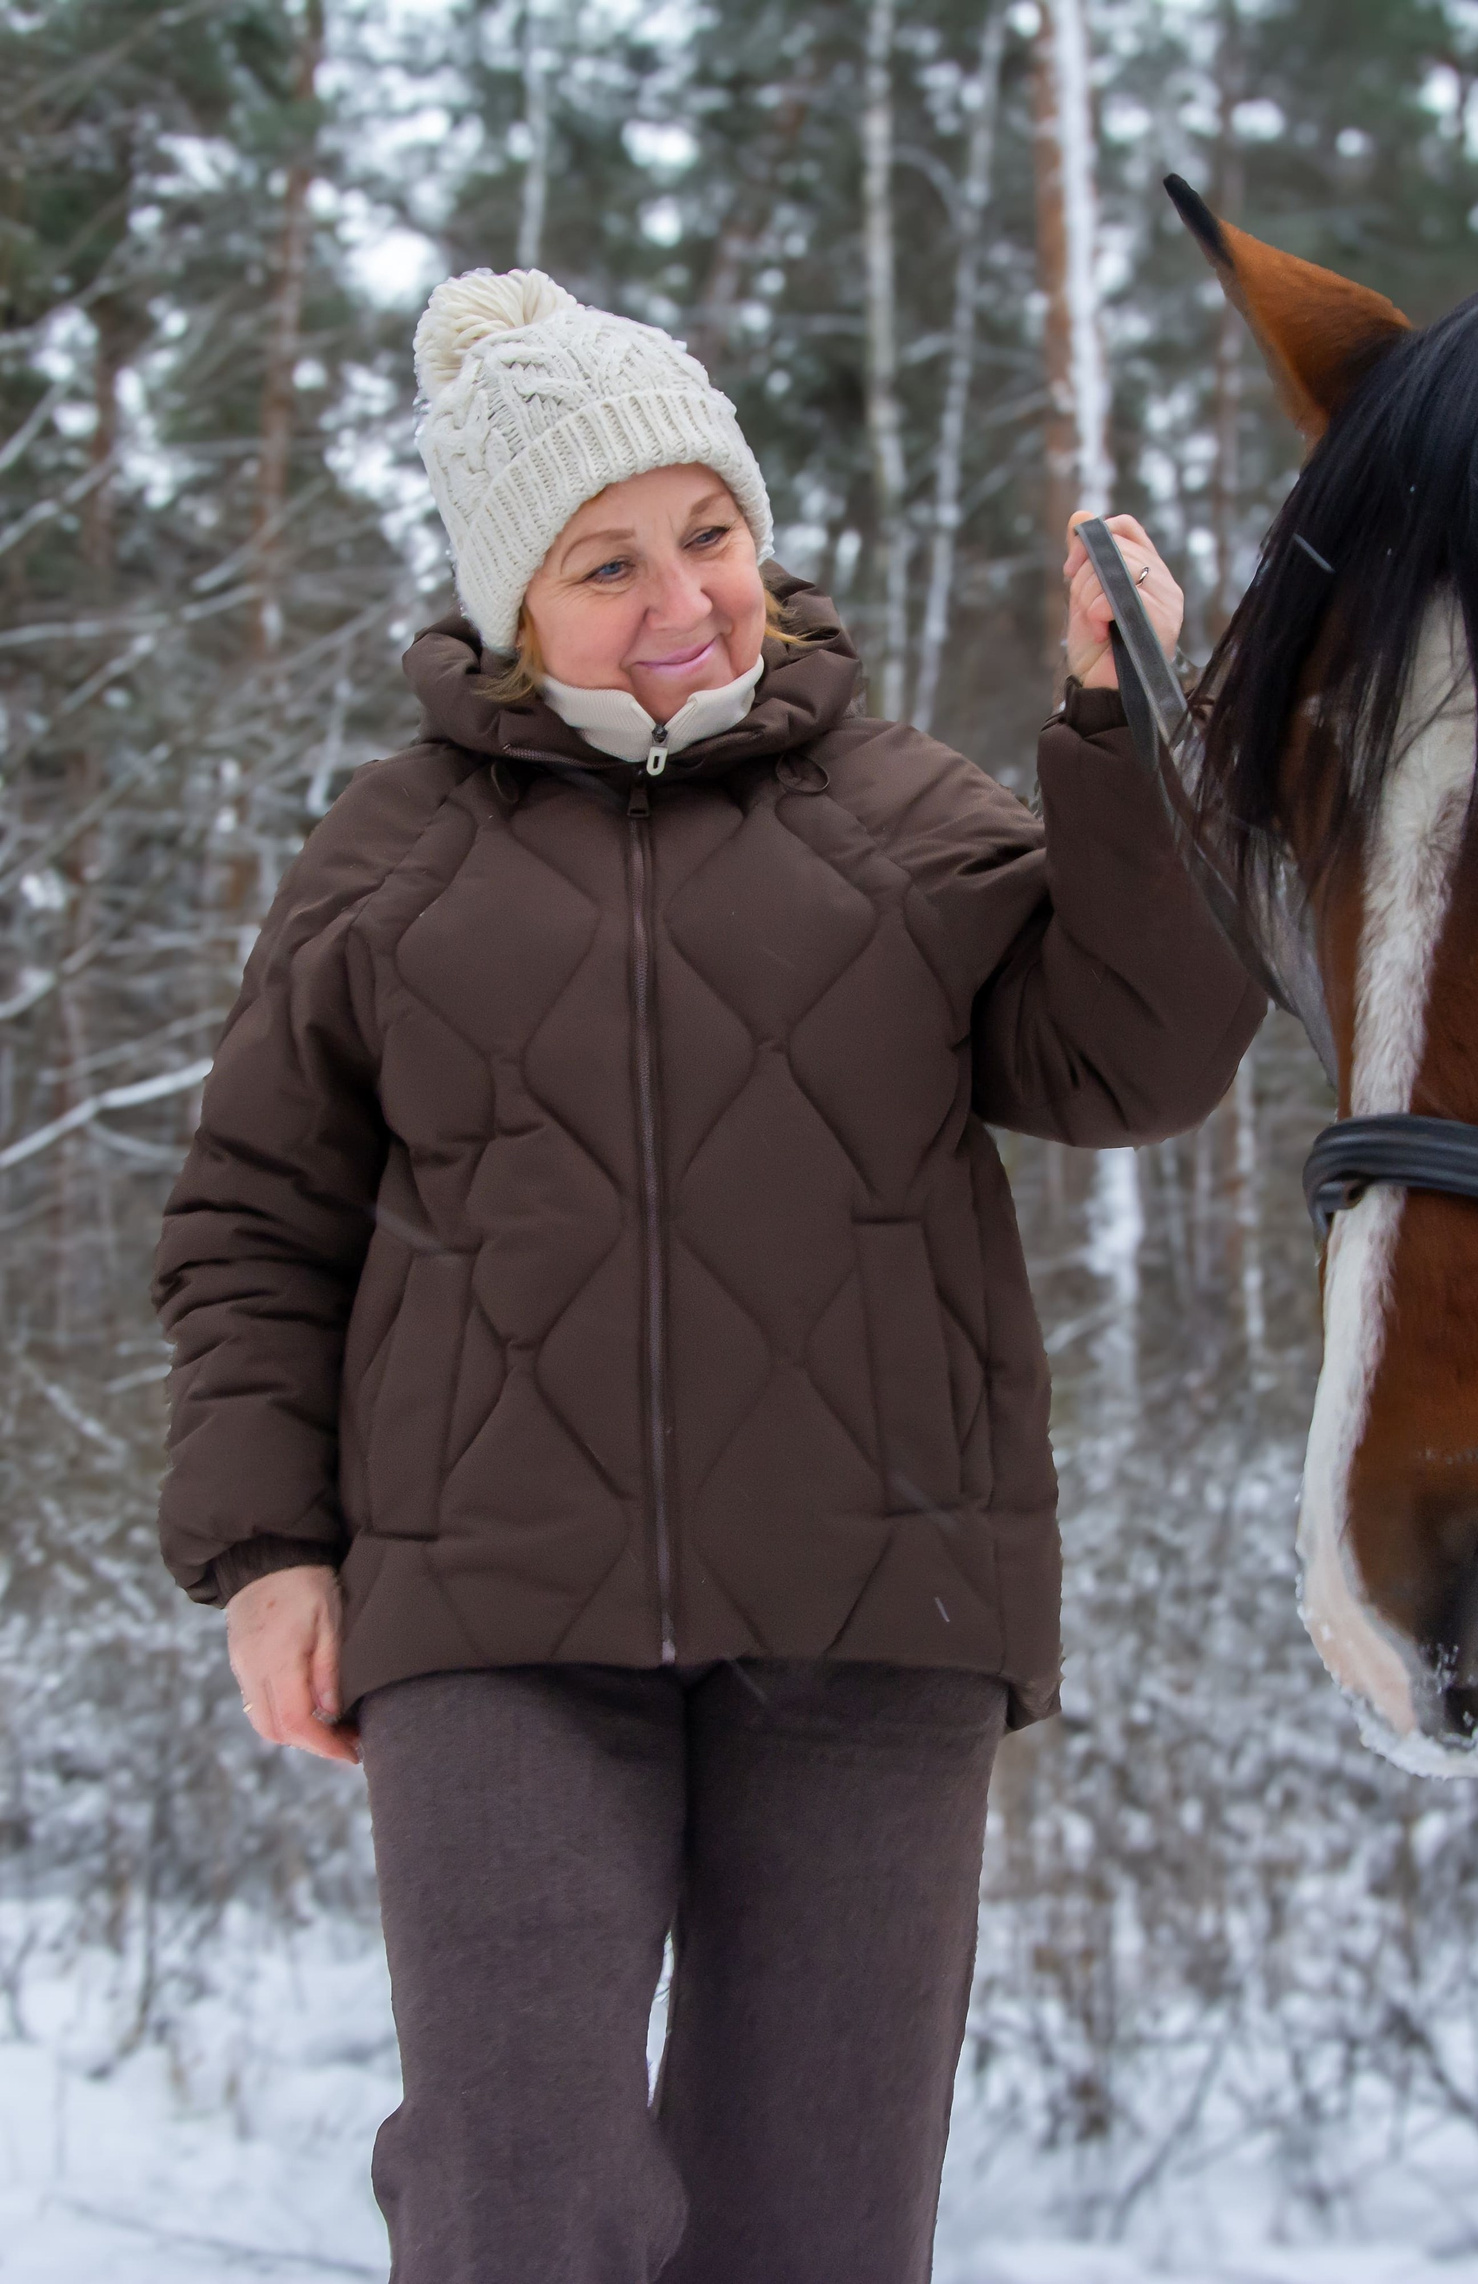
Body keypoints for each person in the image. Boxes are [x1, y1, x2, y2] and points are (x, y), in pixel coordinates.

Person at [152, 266, 1259, 2283]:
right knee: (518, 2192)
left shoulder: (901, 814)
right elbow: (253, 1218)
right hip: (494, 1623)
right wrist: (267, 1552)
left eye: (711, 529)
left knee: (813, 2228)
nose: (685, 597)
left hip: (878, 1615)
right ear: (512, 604)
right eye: (608, 561)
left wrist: (1126, 735)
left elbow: (1137, 1059)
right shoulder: (390, 855)